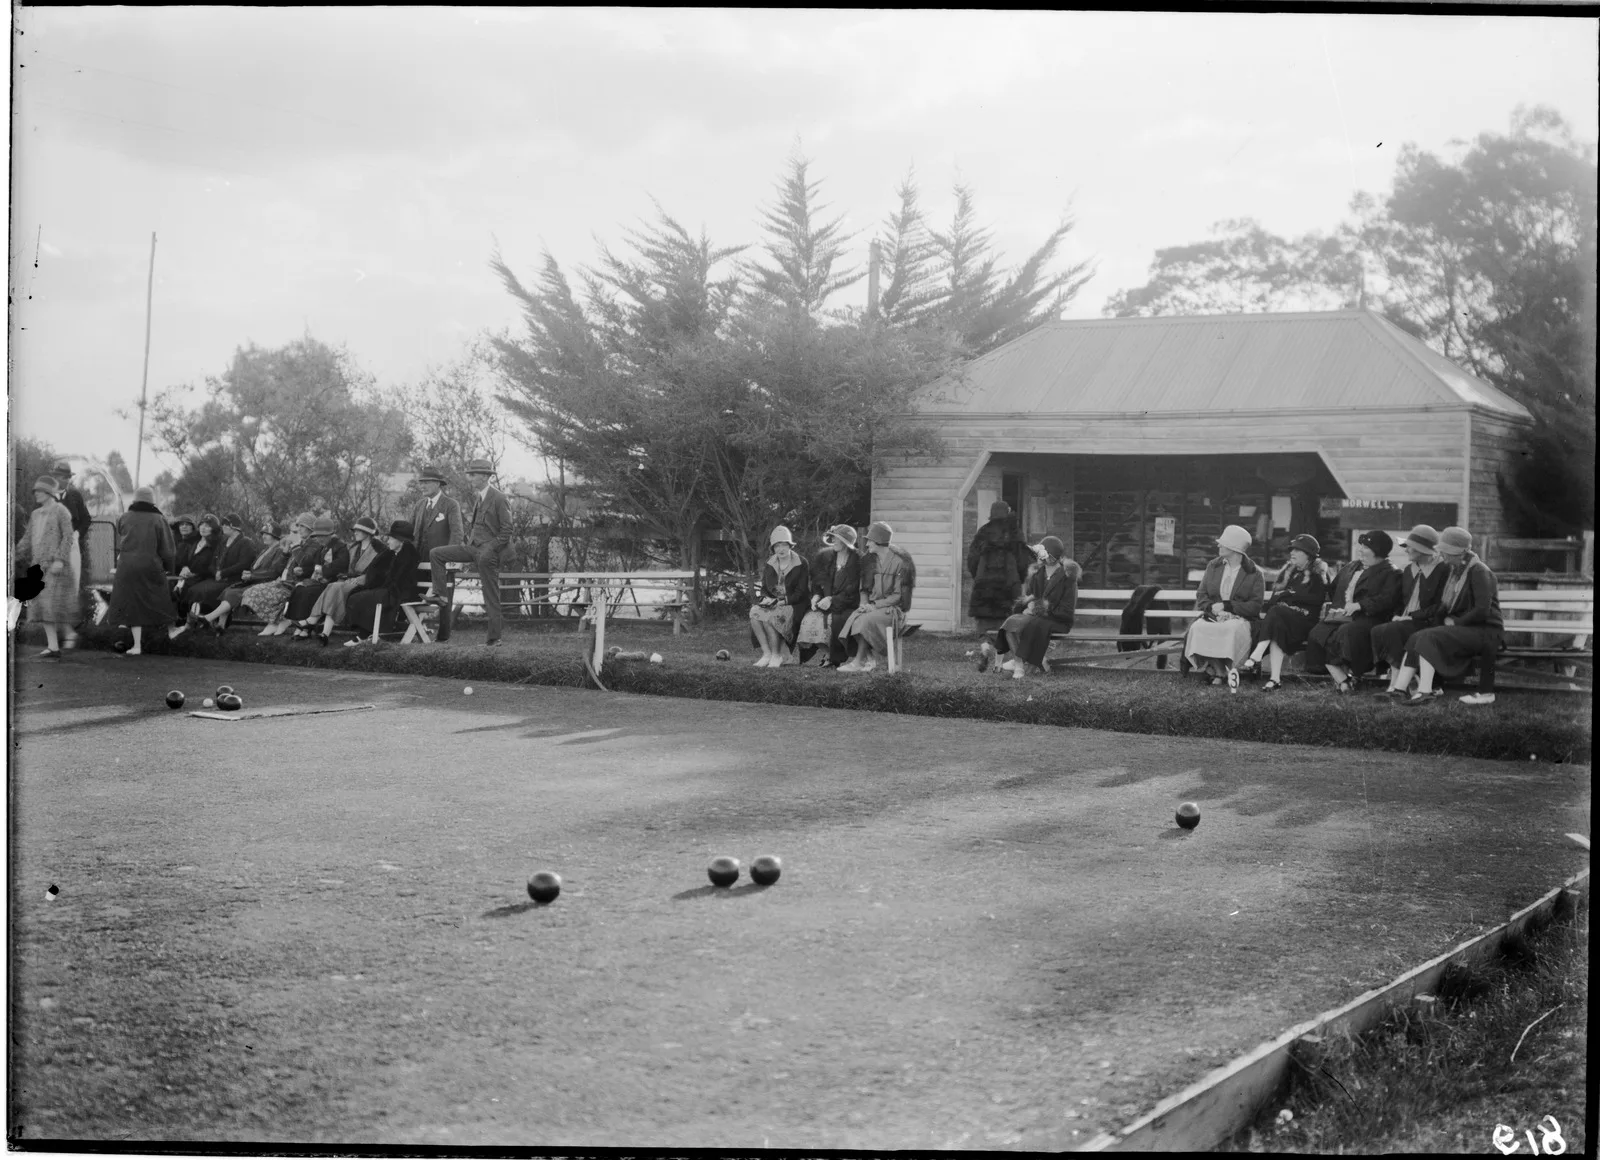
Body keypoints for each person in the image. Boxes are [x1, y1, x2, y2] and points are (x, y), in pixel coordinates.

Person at [1388, 527, 1504, 706]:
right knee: (1416, 637)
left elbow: (1483, 610)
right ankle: (1399, 690)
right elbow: (1445, 605)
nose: (1443, 555)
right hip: (1467, 628)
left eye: (1447, 552)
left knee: (1429, 637)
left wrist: (1456, 622)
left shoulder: (1479, 571)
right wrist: (1427, 619)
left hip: (1485, 631)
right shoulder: (1455, 570)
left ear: (1461, 553)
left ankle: (1426, 692)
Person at [423, 459, 512, 647]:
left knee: (490, 595)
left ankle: (494, 639)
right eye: (470, 474)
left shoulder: (499, 497)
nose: (470, 477)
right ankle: (441, 595)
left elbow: (507, 530)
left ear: (486, 476)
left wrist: (489, 548)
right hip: (473, 548)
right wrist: (468, 543)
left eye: (474, 474)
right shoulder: (480, 496)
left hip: (487, 553)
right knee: (436, 554)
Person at [1303, 530, 1402, 694]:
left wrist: (1360, 605)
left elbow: (1388, 599)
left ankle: (1354, 677)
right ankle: (1343, 679)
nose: (1360, 550)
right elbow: (1332, 589)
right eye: (1360, 546)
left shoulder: (1391, 572)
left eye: (1365, 547)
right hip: (1342, 616)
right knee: (1317, 633)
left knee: (1347, 633)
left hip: (1370, 618)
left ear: (1378, 550)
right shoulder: (1351, 566)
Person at [979, 535, 1080, 680]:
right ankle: (1019, 665)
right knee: (1010, 623)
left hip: (1057, 620)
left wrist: (1038, 608)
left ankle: (1031, 663)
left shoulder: (1068, 577)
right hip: (1035, 617)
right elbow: (1029, 597)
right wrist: (1026, 605)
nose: (1039, 557)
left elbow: (1067, 611)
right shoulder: (1038, 574)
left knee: (1032, 624)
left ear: (1052, 557)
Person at [1239, 534, 1327, 690]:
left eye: (1298, 550)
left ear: (1309, 555)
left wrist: (1289, 595)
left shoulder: (1317, 575)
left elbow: (1316, 600)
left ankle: (1257, 655)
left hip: (1304, 621)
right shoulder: (1288, 572)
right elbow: (1275, 598)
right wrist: (1288, 595)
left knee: (1277, 613)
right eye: (1292, 549)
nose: (1292, 553)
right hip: (1282, 620)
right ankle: (1274, 679)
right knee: (1276, 623)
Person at [1181, 525, 1264, 687]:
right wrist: (1212, 609)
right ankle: (1220, 671)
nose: (1218, 545)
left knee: (1230, 629)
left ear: (1234, 548)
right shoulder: (1213, 566)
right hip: (1214, 616)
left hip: (1241, 618)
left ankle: (1223, 671)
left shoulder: (1254, 573)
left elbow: (1255, 606)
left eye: (1223, 543)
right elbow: (1201, 594)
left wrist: (1229, 608)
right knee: (1198, 628)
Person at [1371, 526, 1450, 697]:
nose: (1406, 550)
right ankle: (1402, 681)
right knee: (1380, 629)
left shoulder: (1443, 570)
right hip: (1408, 620)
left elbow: (1442, 606)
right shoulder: (1408, 570)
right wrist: (1398, 615)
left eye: (1410, 546)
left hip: (1430, 622)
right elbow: (1402, 600)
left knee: (1393, 630)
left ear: (1423, 551)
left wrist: (1411, 617)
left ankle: (1401, 684)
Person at [14, 475, 82, 656]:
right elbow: (28, 539)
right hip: (38, 567)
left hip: (55, 566)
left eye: (39, 491)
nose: (36, 494)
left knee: (52, 604)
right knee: (43, 606)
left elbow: (68, 537)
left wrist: (60, 559)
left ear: (49, 492)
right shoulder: (36, 514)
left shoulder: (61, 511)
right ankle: (53, 646)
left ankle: (65, 638)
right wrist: (11, 556)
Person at [106, 486, 177, 655]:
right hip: (150, 565)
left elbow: (120, 536)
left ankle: (137, 646)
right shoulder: (159, 519)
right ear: (152, 501)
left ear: (135, 500)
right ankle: (172, 633)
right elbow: (168, 550)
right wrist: (169, 568)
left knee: (132, 605)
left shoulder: (123, 517)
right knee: (161, 599)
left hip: (126, 566)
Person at [837, 522, 915, 673]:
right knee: (854, 618)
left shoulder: (900, 563)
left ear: (879, 541)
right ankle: (869, 659)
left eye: (870, 540)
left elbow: (898, 596)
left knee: (865, 620)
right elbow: (864, 589)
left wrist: (874, 605)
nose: (867, 544)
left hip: (893, 610)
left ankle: (858, 662)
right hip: (873, 607)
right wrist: (864, 604)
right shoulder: (869, 560)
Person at [300, 516, 391, 644]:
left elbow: (379, 573)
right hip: (348, 581)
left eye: (359, 530)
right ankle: (325, 633)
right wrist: (344, 577)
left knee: (335, 587)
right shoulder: (353, 547)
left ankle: (312, 620)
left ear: (369, 533)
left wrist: (362, 578)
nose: (355, 533)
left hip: (366, 584)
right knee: (333, 586)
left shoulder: (380, 550)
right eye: (355, 530)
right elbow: (346, 568)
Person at [197, 520, 289, 635]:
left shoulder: (279, 550)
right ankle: (220, 626)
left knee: (234, 593)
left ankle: (208, 618)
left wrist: (252, 575)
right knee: (228, 591)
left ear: (275, 536)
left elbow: (274, 572)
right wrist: (248, 573)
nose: (263, 536)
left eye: (267, 534)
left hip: (266, 584)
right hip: (254, 581)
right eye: (263, 534)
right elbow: (257, 567)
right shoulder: (266, 549)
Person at [176, 514, 257, 634]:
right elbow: (213, 562)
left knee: (202, 591)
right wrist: (216, 572)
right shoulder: (224, 541)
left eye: (226, 525)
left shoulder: (246, 542)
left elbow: (244, 564)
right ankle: (191, 622)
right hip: (217, 578)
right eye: (223, 524)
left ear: (234, 527)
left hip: (233, 579)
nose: (223, 527)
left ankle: (206, 621)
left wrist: (223, 573)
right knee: (193, 589)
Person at [410, 464, 464, 642]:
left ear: (437, 484)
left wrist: (450, 557)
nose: (422, 486)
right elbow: (412, 533)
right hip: (419, 559)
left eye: (426, 482)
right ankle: (419, 631)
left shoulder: (450, 505)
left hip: (442, 560)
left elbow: (457, 533)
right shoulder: (419, 505)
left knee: (444, 598)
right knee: (416, 594)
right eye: (421, 482)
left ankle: (443, 637)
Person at [346, 521, 422, 642]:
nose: (388, 541)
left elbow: (402, 581)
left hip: (400, 592)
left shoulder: (409, 556)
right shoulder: (390, 553)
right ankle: (364, 633)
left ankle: (364, 634)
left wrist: (385, 586)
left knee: (367, 598)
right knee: (356, 595)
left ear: (400, 540)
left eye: (391, 539)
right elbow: (376, 572)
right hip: (387, 588)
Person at [966, 501, 1035, 635]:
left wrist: (979, 576)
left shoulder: (983, 532)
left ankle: (985, 647)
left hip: (984, 587)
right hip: (1009, 586)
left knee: (984, 626)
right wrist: (1018, 579)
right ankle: (1004, 652)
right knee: (1008, 625)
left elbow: (972, 560)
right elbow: (1023, 562)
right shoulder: (1015, 533)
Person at [748, 526, 811, 667]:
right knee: (755, 613)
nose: (780, 549)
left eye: (784, 545)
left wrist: (781, 602)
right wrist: (765, 600)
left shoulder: (801, 563)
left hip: (794, 603)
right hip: (773, 602)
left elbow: (802, 592)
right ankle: (766, 654)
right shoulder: (770, 563)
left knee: (769, 618)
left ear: (790, 545)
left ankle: (777, 655)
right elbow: (764, 587)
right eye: (777, 546)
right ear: (773, 548)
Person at [802, 524, 863, 667]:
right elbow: (818, 583)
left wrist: (832, 599)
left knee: (834, 620)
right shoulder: (826, 558)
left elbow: (854, 592)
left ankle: (834, 658)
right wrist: (816, 596)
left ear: (846, 542)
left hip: (848, 605)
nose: (833, 541)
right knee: (809, 618)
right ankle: (828, 653)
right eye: (833, 538)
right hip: (826, 603)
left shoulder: (858, 562)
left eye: (837, 538)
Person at [253, 513, 318, 635]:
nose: (298, 531)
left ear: (310, 528)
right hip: (285, 580)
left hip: (297, 582)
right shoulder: (299, 544)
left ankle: (279, 622)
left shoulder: (313, 544)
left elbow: (305, 563)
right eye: (295, 529)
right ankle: (274, 622)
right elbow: (278, 568)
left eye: (301, 527)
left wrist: (296, 547)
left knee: (257, 592)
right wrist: (285, 553)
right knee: (254, 592)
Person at [282, 515, 349, 630]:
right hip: (319, 580)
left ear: (331, 534)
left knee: (309, 592)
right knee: (299, 589)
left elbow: (341, 564)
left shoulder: (340, 547)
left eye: (323, 536)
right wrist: (303, 571)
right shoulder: (322, 548)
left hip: (332, 581)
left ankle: (306, 626)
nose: (320, 539)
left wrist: (323, 571)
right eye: (318, 536)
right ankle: (298, 624)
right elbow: (313, 565)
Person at [171, 513, 220, 627]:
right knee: (177, 585)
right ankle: (181, 617)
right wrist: (184, 567)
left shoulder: (214, 546)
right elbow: (186, 560)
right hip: (188, 574)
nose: (203, 528)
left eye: (207, 526)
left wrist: (195, 573)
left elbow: (212, 566)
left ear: (213, 529)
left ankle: (188, 618)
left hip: (203, 577)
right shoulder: (195, 542)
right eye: (202, 524)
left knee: (186, 587)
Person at [51, 460, 93, 585]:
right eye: (62, 477)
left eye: (68, 477)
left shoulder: (75, 495)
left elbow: (86, 519)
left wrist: (78, 534)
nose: (66, 480)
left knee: (73, 585)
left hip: (72, 548)